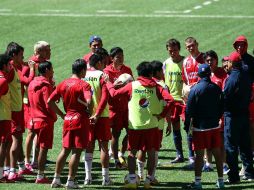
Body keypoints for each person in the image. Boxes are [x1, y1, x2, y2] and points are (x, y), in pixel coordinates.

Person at [104, 61, 174, 189]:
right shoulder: (157, 87)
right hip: (152, 125)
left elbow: (113, 94)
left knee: (132, 153)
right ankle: (148, 180)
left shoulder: (132, 85)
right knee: (151, 152)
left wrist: (108, 82)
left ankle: (132, 180)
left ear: (139, 73)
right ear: (151, 73)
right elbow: (170, 100)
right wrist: (162, 115)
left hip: (135, 126)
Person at [49, 59, 92, 189]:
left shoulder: (63, 84)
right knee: (77, 151)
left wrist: (62, 114)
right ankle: (71, 181)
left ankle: (56, 179)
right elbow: (89, 102)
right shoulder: (84, 85)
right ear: (83, 70)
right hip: (80, 119)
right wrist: (88, 109)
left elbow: (49, 101)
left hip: (68, 119)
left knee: (65, 149)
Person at [184, 64, 224, 189]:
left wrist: (187, 127)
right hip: (214, 126)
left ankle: (198, 183)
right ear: (209, 74)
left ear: (199, 75)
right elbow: (222, 106)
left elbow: (189, 110)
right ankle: (221, 181)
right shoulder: (216, 88)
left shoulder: (195, 89)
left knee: (199, 156)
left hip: (199, 128)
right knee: (217, 154)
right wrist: (217, 117)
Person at [5, 42, 35, 181]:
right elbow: (27, 80)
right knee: (14, 140)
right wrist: (32, 69)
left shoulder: (13, 67)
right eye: (21, 55)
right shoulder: (10, 69)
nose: (23, 57)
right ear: (13, 55)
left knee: (11, 140)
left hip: (15, 109)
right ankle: (11, 171)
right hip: (13, 110)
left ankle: (16, 168)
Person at [223, 51, 254, 184]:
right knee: (245, 145)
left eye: (228, 62)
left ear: (232, 63)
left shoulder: (232, 77)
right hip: (244, 115)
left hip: (232, 117)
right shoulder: (246, 75)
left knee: (231, 147)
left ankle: (234, 176)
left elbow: (226, 96)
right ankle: (249, 172)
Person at [83, 53, 113, 186]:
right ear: (99, 63)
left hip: (87, 116)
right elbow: (105, 97)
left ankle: (88, 177)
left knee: (88, 146)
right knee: (104, 147)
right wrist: (98, 114)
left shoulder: (82, 76)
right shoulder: (102, 75)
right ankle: (105, 179)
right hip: (102, 116)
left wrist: (90, 113)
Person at [103, 47, 133, 169]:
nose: (121, 59)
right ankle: (116, 159)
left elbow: (133, 84)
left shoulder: (127, 70)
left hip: (127, 107)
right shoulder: (106, 72)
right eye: (118, 57)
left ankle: (122, 153)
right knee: (115, 134)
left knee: (131, 131)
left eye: (122, 56)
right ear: (112, 58)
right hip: (114, 108)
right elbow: (105, 89)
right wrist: (114, 85)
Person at [28, 61, 56, 183]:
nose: (53, 71)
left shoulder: (32, 83)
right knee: (43, 149)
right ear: (46, 71)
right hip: (45, 121)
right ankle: (40, 176)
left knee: (39, 147)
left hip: (34, 119)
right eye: (51, 69)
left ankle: (39, 173)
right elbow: (48, 104)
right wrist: (56, 116)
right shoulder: (45, 85)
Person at [24, 41, 51, 171]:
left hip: (41, 100)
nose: (50, 52)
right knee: (31, 131)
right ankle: (27, 161)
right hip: (31, 102)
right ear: (39, 52)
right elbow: (24, 79)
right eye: (47, 50)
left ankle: (36, 159)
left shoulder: (45, 63)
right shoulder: (32, 63)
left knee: (39, 131)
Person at [203, 50, 228, 173]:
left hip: (219, 111)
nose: (209, 62)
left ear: (216, 60)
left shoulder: (222, 73)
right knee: (208, 138)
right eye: (207, 60)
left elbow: (224, 92)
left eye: (211, 60)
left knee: (221, 139)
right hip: (207, 112)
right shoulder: (204, 74)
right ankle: (208, 163)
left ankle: (224, 163)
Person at [182, 37, 205, 168]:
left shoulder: (204, 58)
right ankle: (192, 158)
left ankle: (206, 159)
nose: (191, 48)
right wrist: (185, 90)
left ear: (197, 44)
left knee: (203, 128)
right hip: (190, 100)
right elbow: (185, 81)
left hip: (202, 99)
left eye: (192, 45)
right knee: (189, 128)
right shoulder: (186, 62)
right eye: (188, 46)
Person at [163, 38, 185, 163]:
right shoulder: (166, 63)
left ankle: (193, 157)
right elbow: (165, 82)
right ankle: (179, 155)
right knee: (176, 128)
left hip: (184, 101)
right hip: (173, 101)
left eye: (175, 50)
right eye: (170, 51)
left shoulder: (185, 62)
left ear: (179, 49)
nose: (173, 53)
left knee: (189, 128)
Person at [233, 35, 254, 163]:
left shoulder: (251, 61)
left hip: (249, 99)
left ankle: (251, 151)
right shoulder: (233, 58)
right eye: (238, 45)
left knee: (251, 127)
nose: (240, 47)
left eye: (242, 45)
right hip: (236, 100)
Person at [0, 54, 12, 183]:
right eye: (9, 64)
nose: (11, 66)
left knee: (6, 144)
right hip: (2, 118)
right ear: (4, 66)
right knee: (3, 146)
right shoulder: (2, 80)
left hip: (5, 117)